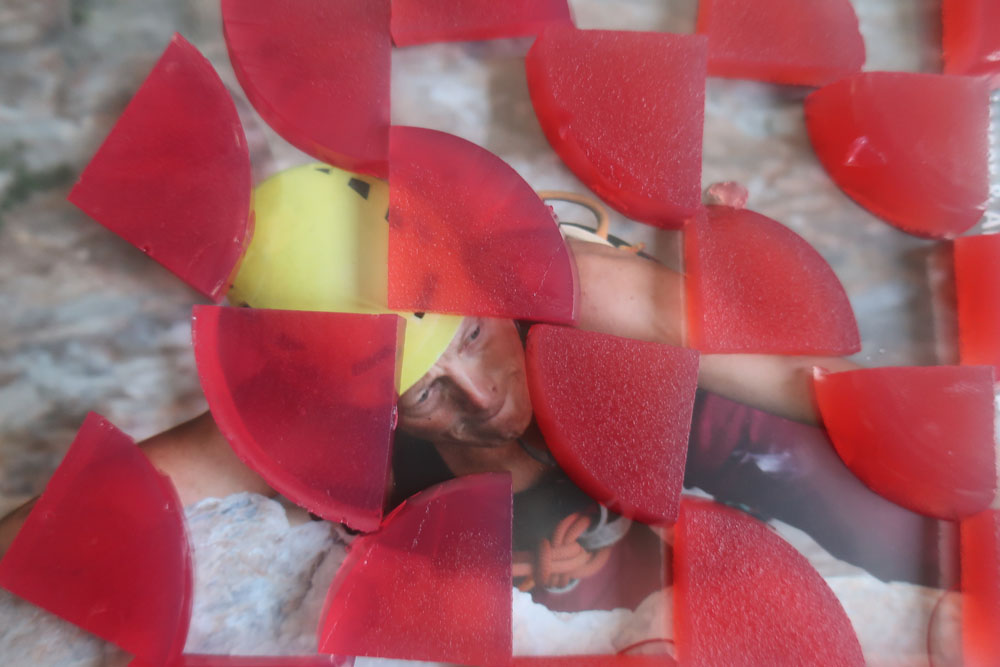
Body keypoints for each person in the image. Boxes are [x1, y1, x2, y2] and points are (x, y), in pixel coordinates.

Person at [0, 166, 941, 610]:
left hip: (672, 408)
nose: (483, 397)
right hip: (551, 557)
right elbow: (55, 530)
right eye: (426, 394)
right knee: (580, 606)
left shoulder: (588, 292)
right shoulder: (301, 425)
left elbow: (843, 402)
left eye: (477, 339)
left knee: (866, 500)